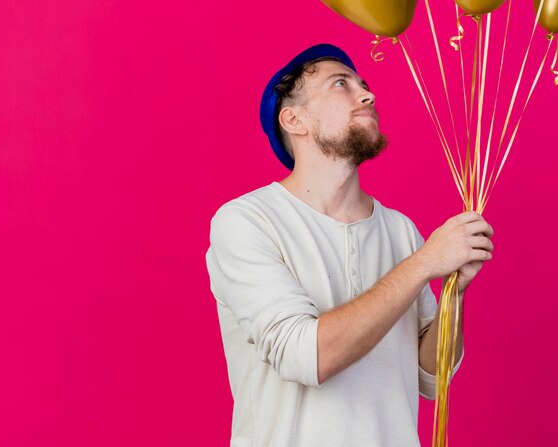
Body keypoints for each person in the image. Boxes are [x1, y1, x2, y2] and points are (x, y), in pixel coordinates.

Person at [205, 43, 494, 447]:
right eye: (340, 83)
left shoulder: (399, 230)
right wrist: (426, 262)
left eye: (363, 84)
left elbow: (432, 377)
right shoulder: (247, 221)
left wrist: (454, 292)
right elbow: (308, 356)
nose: (367, 95)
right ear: (294, 120)